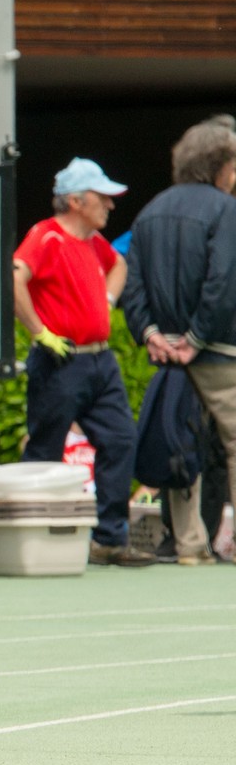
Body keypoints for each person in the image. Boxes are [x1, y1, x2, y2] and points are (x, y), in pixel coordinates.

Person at [13, 157, 153, 566]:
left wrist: (106, 301)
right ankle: (33, 539)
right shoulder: (46, 236)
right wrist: (39, 332)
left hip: (99, 361)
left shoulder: (94, 242)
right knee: (46, 449)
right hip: (60, 360)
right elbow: (15, 276)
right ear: (76, 201)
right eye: (102, 197)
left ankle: (109, 539)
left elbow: (119, 265)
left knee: (120, 440)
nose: (110, 204)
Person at [120, 117, 236, 565]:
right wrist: (197, 336)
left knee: (179, 440)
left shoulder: (150, 211)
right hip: (218, 351)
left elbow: (133, 284)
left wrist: (150, 333)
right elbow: (222, 282)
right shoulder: (226, 210)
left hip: (167, 353)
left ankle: (189, 545)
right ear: (220, 165)